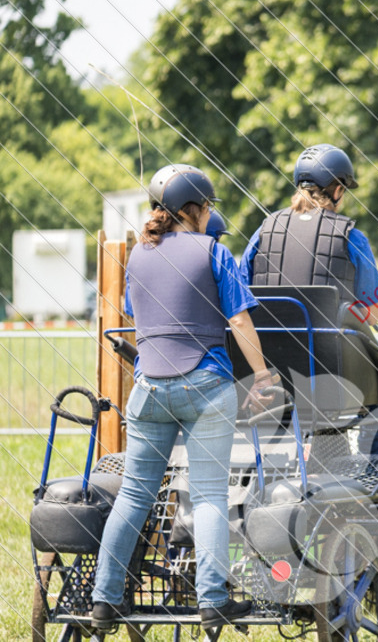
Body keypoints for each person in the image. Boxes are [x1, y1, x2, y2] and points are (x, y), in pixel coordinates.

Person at [92, 164, 277, 633]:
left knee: (134, 496)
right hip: (206, 384)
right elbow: (238, 320)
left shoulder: (137, 255)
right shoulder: (214, 251)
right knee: (211, 495)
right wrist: (261, 373)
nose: (210, 213)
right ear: (194, 209)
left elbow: (139, 313)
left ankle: (104, 599)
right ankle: (213, 600)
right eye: (209, 205)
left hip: (149, 387)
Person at [241, 144, 378, 325]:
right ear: (338, 190)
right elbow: (371, 314)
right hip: (329, 350)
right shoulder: (353, 238)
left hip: (264, 348)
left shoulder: (263, 231)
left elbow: (240, 296)